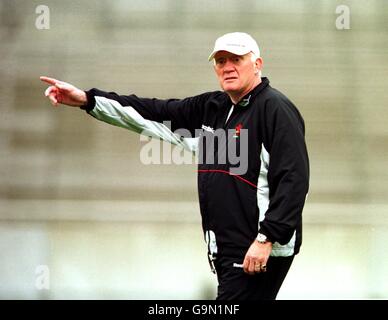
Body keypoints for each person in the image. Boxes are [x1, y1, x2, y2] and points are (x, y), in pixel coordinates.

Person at [40, 32, 309, 300]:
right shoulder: (212, 108)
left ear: (257, 64)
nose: (227, 66)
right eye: (220, 60)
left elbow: (294, 180)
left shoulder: (276, 109)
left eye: (236, 59)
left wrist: (266, 238)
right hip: (229, 247)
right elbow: (152, 112)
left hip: (256, 247)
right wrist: (88, 100)